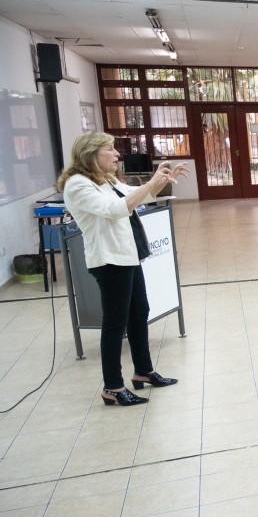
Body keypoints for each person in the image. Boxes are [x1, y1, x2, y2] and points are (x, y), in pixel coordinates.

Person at [58, 132, 186, 406]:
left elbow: (133, 196)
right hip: (109, 261)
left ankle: (143, 371)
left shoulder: (105, 180)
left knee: (140, 311)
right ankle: (113, 387)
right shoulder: (78, 185)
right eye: (110, 149)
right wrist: (150, 183)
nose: (117, 154)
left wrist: (159, 182)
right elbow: (117, 209)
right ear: (91, 154)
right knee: (115, 324)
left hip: (127, 257)